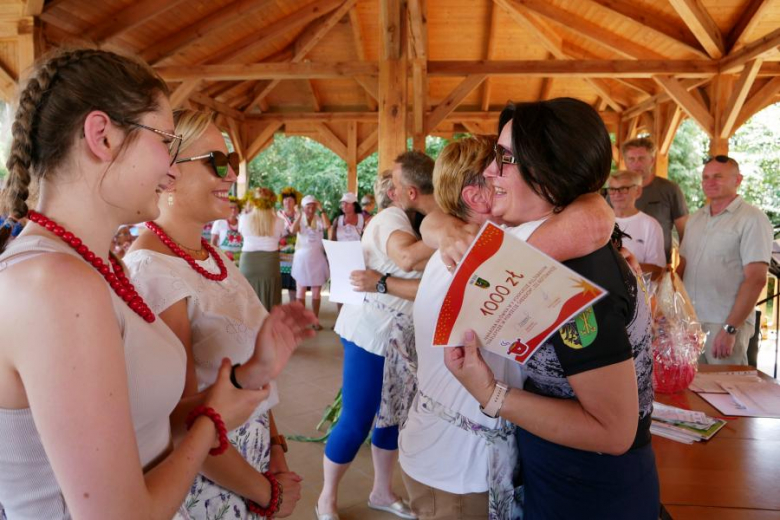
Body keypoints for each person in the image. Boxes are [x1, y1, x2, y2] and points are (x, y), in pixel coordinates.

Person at [0, 47, 267, 520]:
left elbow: (141, 427)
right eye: (164, 140)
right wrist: (212, 422)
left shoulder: (95, 267)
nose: (171, 169)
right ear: (102, 136)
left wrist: (229, 391)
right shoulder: (56, 283)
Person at [352, 138, 614, 520]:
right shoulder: (494, 251)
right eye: (506, 172)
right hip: (457, 471)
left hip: (441, 453)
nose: (525, 180)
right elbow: (595, 219)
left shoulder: (466, 246)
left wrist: (439, 225)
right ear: (477, 197)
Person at [445, 99, 658, 520]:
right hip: (563, 473)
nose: (490, 171)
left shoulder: (574, 280)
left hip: (590, 490)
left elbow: (614, 431)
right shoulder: (556, 252)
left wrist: (490, 393)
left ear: (547, 174)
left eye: (505, 159)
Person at [125, 110, 314, 519]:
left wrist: (275, 447)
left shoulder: (213, 257)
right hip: (211, 481)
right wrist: (266, 493)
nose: (231, 175)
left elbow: (252, 373)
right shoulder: (151, 270)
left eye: (232, 161)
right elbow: (179, 424)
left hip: (252, 460)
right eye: (217, 161)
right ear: (168, 171)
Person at [317, 153, 437, 520]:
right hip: (372, 333)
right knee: (358, 418)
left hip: (403, 337)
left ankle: (382, 492)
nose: (392, 190)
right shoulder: (390, 219)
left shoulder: (421, 220)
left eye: (396, 184)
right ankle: (326, 498)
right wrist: (461, 232)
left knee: (393, 416)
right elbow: (406, 258)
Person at [677, 155, 773, 365]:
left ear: (738, 180)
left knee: (725, 385)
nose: (710, 182)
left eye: (718, 176)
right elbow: (682, 267)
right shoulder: (695, 219)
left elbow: (756, 279)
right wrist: (675, 315)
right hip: (690, 323)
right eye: (706, 177)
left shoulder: (753, 219)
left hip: (724, 324)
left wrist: (730, 328)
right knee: (691, 384)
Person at [622, 137, 688, 263]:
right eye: (631, 159)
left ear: (652, 160)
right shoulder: (615, 192)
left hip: (658, 267)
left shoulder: (670, 189)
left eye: (641, 158)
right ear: (625, 162)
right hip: (621, 267)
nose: (636, 164)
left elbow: (684, 232)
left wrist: (683, 265)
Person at [607, 170, 665, 279]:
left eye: (623, 189)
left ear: (637, 191)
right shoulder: (601, 222)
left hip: (639, 289)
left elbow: (657, 271)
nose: (617, 194)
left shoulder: (651, 225)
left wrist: (620, 265)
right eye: (612, 189)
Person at [238, 187, 286, 311]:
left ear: (253, 201)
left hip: (249, 262)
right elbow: (281, 236)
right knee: (269, 296)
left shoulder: (244, 218)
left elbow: (242, 234)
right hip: (269, 263)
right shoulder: (279, 221)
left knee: (247, 297)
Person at [291, 195, 331, 326]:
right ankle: (301, 320)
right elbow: (292, 230)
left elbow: (327, 226)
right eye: (308, 207)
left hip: (317, 258)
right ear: (303, 207)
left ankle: (315, 320)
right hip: (302, 259)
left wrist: (321, 209)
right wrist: (299, 215)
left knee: (316, 291)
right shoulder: (300, 219)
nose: (311, 209)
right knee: (301, 289)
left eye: (313, 206)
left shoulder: (319, 219)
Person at [278, 187, 301, 303]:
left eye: (290, 200)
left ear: (295, 202)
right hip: (280, 255)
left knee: (294, 285)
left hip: (297, 253)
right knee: (279, 285)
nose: (287, 202)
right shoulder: (277, 215)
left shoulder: (299, 215)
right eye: (285, 199)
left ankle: (293, 307)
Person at [210, 196, 243, 263]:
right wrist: (215, 257)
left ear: (239, 209)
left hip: (240, 258)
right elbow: (213, 241)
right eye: (231, 207)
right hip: (224, 257)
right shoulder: (219, 222)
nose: (233, 210)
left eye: (235, 207)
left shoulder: (243, 222)